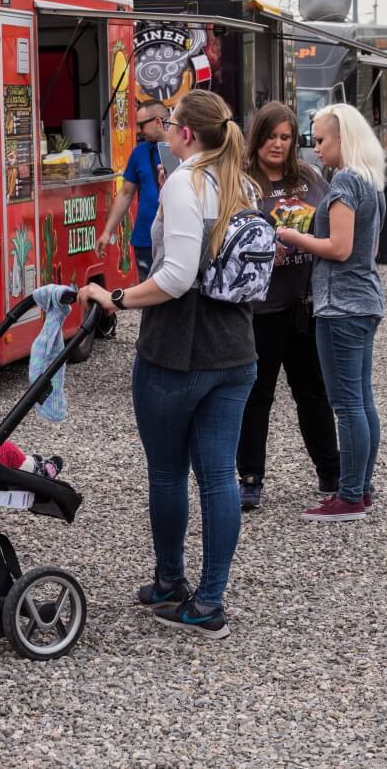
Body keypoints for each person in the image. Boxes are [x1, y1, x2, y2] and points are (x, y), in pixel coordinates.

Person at [77, 90, 257, 640]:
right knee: (220, 476)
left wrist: (118, 299)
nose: (161, 130)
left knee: (167, 472)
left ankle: (171, 582)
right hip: (235, 346)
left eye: (168, 123)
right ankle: (211, 599)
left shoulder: (184, 181)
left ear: (184, 134)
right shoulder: (241, 184)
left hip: (179, 348)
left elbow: (177, 276)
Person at [276, 103, 386, 523]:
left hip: (340, 304)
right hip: (365, 299)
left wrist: (294, 236)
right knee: (362, 400)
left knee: (347, 405)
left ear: (344, 139)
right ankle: (362, 485)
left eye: (320, 139)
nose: (314, 148)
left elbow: (339, 249)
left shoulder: (343, 186)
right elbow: (367, 249)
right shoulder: (371, 182)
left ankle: (351, 494)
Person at [234, 102, 339, 510]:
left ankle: (331, 471)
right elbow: (225, 235)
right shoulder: (242, 182)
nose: (278, 144)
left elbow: (333, 222)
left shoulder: (309, 177)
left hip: (304, 304)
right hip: (260, 308)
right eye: (271, 136)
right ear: (256, 137)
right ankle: (250, 477)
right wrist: (260, 249)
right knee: (256, 394)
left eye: (286, 137)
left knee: (312, 391)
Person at [98, 101, 168, 280]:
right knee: (149, 302)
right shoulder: (139, 152)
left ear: (158, 122)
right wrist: (107, 231)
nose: (138, 130)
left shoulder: (183, 148)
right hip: (145, 240)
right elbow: (125, 193)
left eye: (142, 125)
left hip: (176, 238)